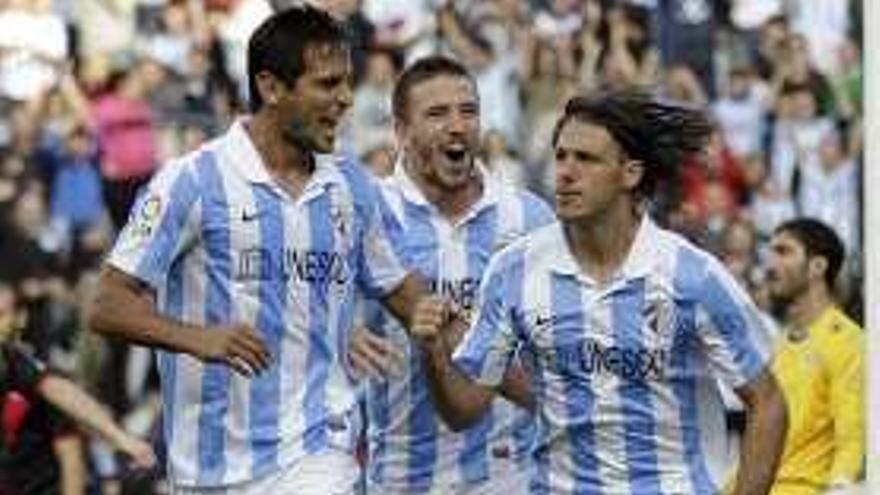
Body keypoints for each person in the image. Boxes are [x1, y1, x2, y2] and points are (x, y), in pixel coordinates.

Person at [86, 6, 425, 494]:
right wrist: (197, 338)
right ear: (270, 88)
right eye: (328, 85)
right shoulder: (193, 181)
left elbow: (413, 299)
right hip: (210, 468)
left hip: (318, 451)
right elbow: (107, 305)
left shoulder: (353, 187)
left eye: (347, 83)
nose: (346, 99)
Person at [410, 89, 788, 494]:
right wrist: (432, 354)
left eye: (586, 159)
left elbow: (768, 403)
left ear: (631, 173)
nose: (566, 173)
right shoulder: (514, 270)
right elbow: (463, 410)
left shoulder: (691, 276)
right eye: (560, 156)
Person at [347, 55, 555, 494]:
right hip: (404, 475)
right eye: (437, 114)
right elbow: (303, 312)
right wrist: (343, 331)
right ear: (401, 132)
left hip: (511, 474)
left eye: (468, 111)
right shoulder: (366, 212)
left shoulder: (529, 217)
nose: (458, 125)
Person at [0, 282, 155, 495]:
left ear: (21, 317)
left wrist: (120, 438)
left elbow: (69, 449)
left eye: (1, 314)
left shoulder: (17, 364)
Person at [765, 218, 864, 494]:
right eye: (770, 253)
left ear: (818, 266)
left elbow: (852, 436)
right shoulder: (778, 342)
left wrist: (840, 485)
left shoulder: (848, 341)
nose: (770, 266)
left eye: (783, 252)